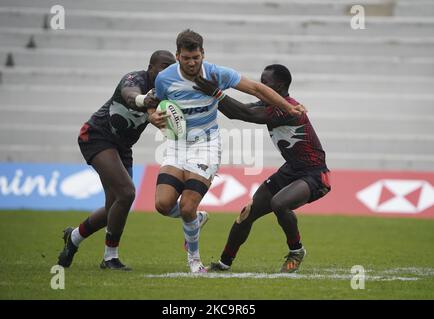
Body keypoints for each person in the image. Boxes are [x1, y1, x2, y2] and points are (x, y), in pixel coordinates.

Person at [151, 30, 307, 273]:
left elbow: (255, 88)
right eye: (186, 58)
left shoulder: (216, 73)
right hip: (176, 145)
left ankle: (194, 261)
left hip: (207, 144)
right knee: (162, 204)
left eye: (196, 57)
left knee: (187, 207)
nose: (192, 63)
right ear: (177, 56)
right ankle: (197, 220)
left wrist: (288, 106)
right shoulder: (165, 78)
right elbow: (154, 105)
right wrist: (154, 117)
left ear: (203, 54)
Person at [193, 64, 330, 273]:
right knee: (247, 213)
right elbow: (237, 111)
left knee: (279, 204)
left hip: (314, 173)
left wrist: (215, 93)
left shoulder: (288, 108)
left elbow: (244, 113)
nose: (261, 86)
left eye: (266, 82)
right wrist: (211, 95)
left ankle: (297, 250)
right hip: (291, 170)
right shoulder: (269, 104)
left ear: (281, 85)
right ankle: (224, 262)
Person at [57, 50, 176, 270]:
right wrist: (144, 100)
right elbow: (130, 95)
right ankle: (110, 257)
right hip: (97, 136)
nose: (168, 71)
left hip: (122, 146)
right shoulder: (134, 79)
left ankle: (73, 238)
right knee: (127, 193)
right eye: (164, 66)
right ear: (150, 68)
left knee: (114, 207)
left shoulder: (167, 91)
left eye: (172, 67)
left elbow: (167, 118)